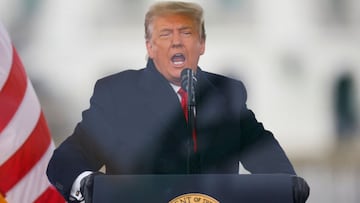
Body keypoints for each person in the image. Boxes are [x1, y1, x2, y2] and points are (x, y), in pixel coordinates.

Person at [47, 1, 306, 202]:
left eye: (186, 32)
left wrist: (287, 188)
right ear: (149, 46)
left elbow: (271, 162)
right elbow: (69, 159)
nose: (176, 42)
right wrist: (89, 186)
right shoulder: (118, 94)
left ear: (201, 44)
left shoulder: (227, 94)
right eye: (165, 34)